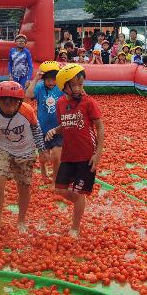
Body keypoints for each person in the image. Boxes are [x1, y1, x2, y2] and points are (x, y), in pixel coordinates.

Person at [0, 81, 46, 235]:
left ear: (19, 101)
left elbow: (36, 129)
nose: (8, 104)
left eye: (13, 101)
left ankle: (21, 220)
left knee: (23, 188)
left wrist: (42, 150)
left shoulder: (26, 111)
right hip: (4, 150)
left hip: (26, 152)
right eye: (4, 101)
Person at [42, 64, 104, 237]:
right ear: (64, 86)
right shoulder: (61, 103)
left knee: (78, 192)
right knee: (60, 189)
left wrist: (98, 154)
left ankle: (75, 227)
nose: (78, 88)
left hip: (86, 156)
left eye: (81, 84)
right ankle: (79, 200)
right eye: (74, 85)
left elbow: (99, 127)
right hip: (68, 155)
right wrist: (55, 130)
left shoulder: (89, 102)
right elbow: (67, 123)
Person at [26, 61, 65, 181]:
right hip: (42, 128)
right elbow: (28, 94)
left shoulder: (61, 88)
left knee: (57, 156)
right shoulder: (40, 88)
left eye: (54, 79)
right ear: (44, 79)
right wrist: (36, 79)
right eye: (48, 79)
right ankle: (43, 171)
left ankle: (55, 179)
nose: (51, 82)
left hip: (57, 129)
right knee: (43, 155)